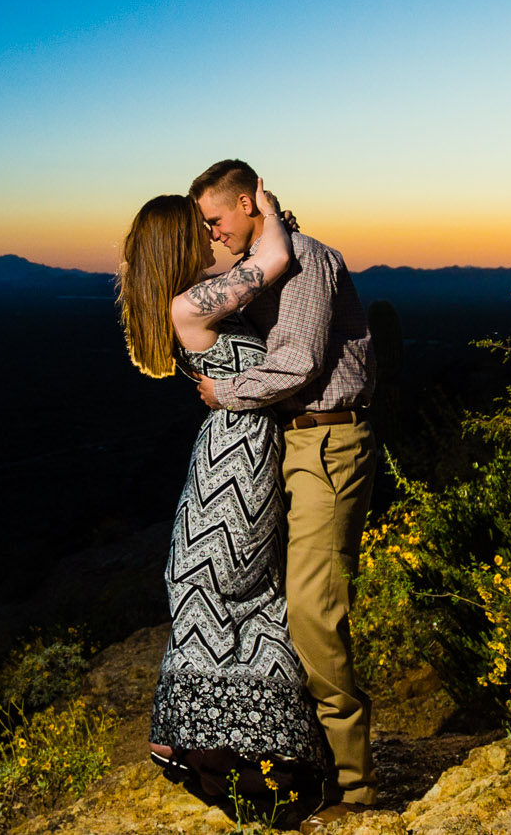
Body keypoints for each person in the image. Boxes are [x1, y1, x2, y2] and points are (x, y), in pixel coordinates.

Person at [182, 159, 380, 831]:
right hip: (286, 447)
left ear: (248, 201)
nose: (210, 231)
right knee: (276, 601)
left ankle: (356, 786)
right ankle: (313, 760)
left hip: (326, 443)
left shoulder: (307, 265)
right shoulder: (267, 265)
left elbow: (297, 363)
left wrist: (223, 392)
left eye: (216, 218)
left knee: (314, 609)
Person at [118, 186, 330, 807]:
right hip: (236, 461)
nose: (210, 234)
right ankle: (225, 751)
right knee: (238, 593)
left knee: (245, 595)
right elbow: (274, 264)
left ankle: (229, 749)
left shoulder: (191, 298)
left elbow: (255, 270)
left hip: (235, 454)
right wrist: (264, 209)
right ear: (176, 245)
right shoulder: (189, 303)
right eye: (198, 228)